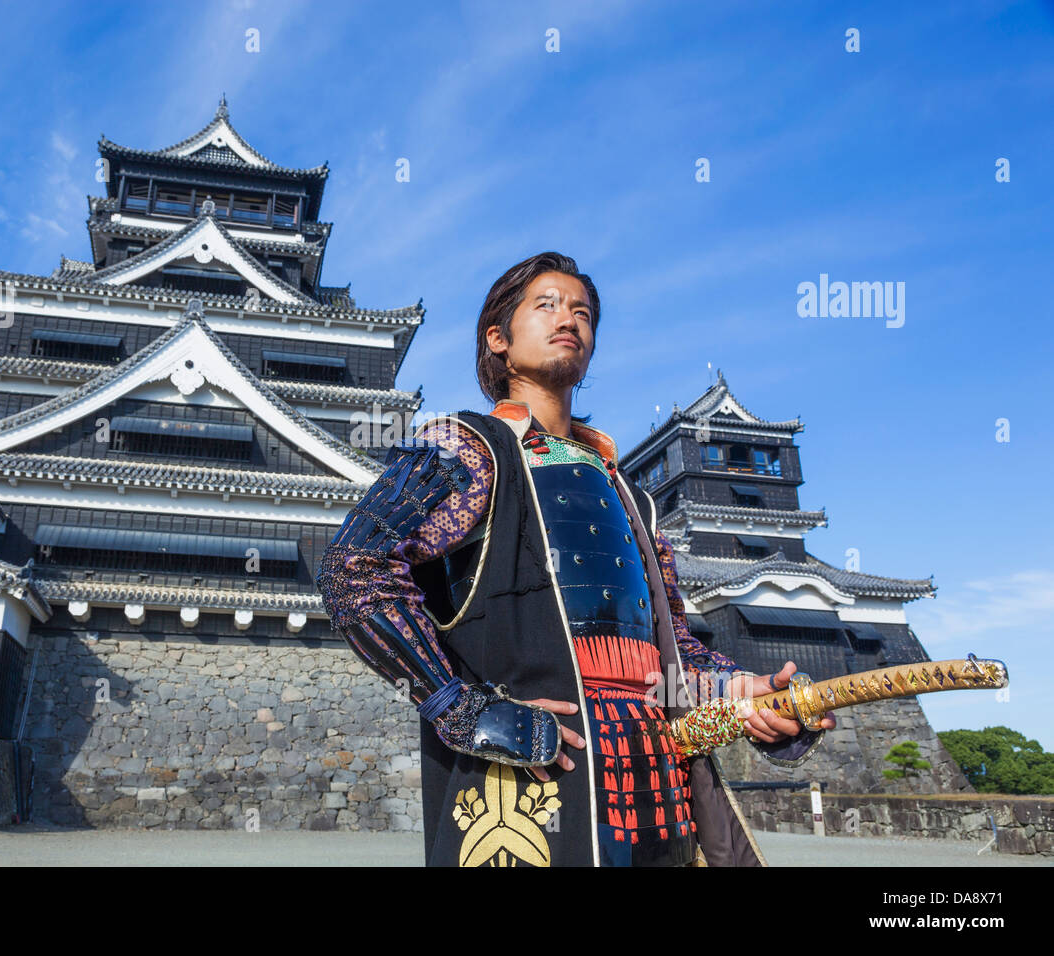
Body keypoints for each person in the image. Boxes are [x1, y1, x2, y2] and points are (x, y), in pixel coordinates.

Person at [316, 251, 836, 867]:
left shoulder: (630, 496)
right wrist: (458, 704)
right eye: (548, 305)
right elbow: (354, 568)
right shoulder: (469, 449)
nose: (570, 318)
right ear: (498, 339)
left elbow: (674, 653)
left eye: (583, 311)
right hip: (531, 775)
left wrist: (746, 694)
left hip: (657, 777)